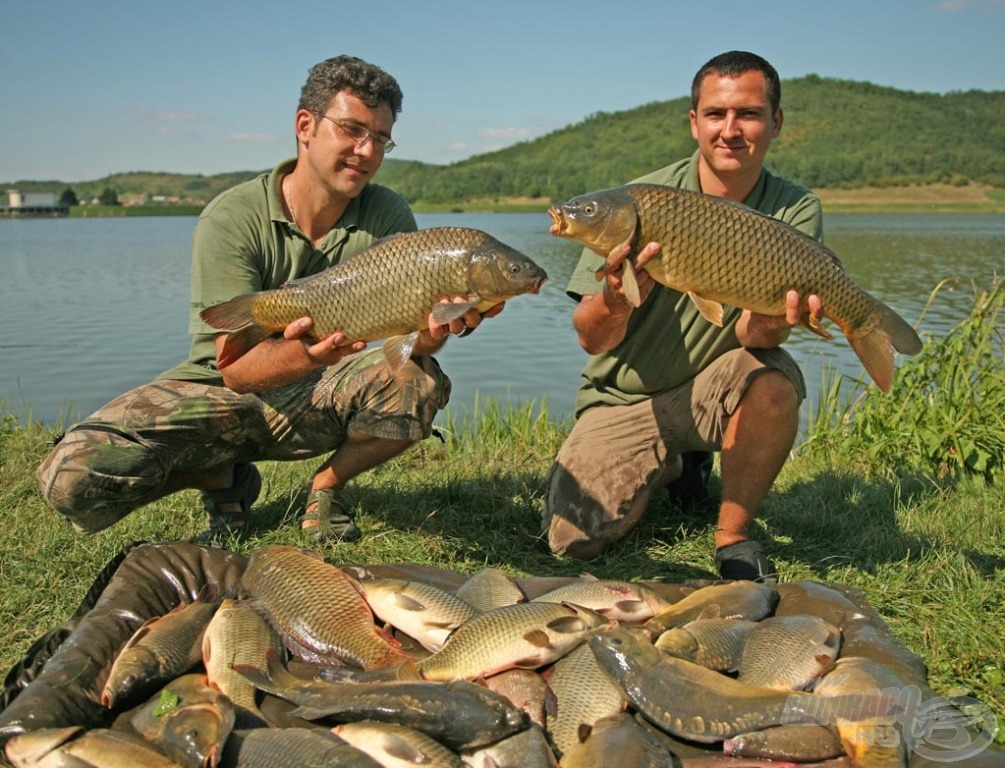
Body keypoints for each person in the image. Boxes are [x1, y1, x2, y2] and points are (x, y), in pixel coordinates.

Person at [37, 55, 500, 545]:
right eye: (352, 130)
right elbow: (235, 371)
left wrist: (440, 327)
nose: (367, 151)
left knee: (415, 380)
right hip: (219, 393)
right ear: (306, 126)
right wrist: (306, 350)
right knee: (71, 479)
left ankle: (327, 486)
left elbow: (414, 343)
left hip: (321, 392)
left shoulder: (387, 212)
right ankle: (222, 478)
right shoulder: (232, 217)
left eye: (381, 140)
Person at [542, 50, 824, 582]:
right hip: (623, 395)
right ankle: (676, 466)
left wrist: (771, 323)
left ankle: (733, 537)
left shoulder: (793, 210)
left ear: (776, 122)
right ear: (694, 122)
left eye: (749, 114)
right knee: (572, 542)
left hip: (714, 386)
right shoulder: (632, 203)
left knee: (775, 381)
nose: (731, 130)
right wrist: (616, 299)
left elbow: (747, 334)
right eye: (716, 114)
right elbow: (590, 339)